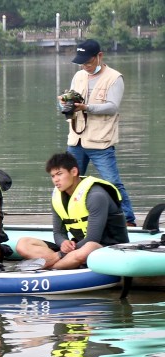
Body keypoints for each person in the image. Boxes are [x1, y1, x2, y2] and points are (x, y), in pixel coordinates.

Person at [61, 39, 135, 226]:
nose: (85, 66)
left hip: (100, 141)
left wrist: (86, 107)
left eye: (88, 62)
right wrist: (64, 103)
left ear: (99, 56)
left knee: (112, 183)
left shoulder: (114, 77)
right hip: (76, 140)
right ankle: (68, 219)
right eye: (82, 62)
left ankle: (128, 220)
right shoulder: (78, 76)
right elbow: (70, 102)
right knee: (68, 181)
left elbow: (112, 107)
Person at [15, 152, 129, 269]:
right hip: (76, 249)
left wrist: (60, 254)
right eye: (53, 176)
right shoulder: (58, 197)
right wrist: (63, 243)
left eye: (59, 174)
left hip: (108, 249)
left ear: (74, 172)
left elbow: (93, 238)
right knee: (23, 244)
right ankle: (64, 264)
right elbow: (58, 233)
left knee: (89, 247)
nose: (56, 180)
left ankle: (50, 267)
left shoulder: (96, 196)